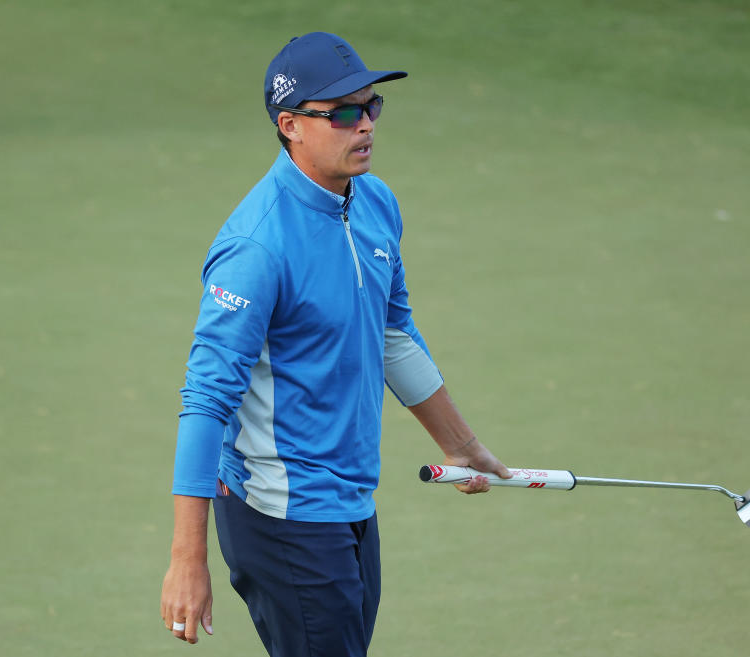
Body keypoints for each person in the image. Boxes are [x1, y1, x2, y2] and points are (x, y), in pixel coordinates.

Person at [159, 31, 511, 656]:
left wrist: (462, 446)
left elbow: (393, 336)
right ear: (291, 125)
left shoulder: (374, 202)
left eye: (371, 106)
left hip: (350, 500)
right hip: (281, 513)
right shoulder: (255, 248)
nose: (365, 125)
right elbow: (205, 401)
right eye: (344, 113)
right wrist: (188, 560)